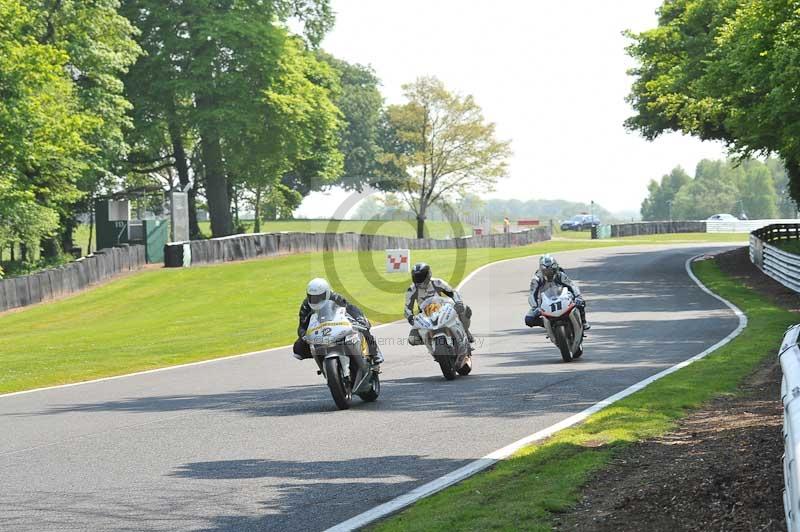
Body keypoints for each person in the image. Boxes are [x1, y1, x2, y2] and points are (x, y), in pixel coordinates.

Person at [293, 278, 384, 364]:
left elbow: (351, 308)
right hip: (320, 331)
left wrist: (359, 319)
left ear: (327, 293)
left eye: (319, 297)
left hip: (337, 325)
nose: (315, 300)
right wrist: (304, 335)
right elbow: (302, 326)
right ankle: (322, 361)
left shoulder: (335, 297)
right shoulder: (306, 305)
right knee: (298, 349)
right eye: (312, 297)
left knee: (363, 328)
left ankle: (375, 352)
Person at [404, 262, 474, 345]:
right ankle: (430, 343)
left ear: (428, 275)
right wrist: (410, 317)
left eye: (421, 277)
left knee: (465, 309)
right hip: (424, 315)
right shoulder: (411, 290)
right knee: (412, 339)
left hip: (443, 309)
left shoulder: (437, 282)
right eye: (416, 277)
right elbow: (407, 308)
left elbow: (452, 293)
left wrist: (458, 302)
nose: (419, 280)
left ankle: (465, 331)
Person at [525, 254, 590, 330]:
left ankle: (583, 321)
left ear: (556, 267)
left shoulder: (560, 275)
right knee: (529, 320)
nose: (550, 272)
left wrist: (578, 296)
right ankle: (548, 324)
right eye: (547, 270)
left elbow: (572, 286)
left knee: (581, 303)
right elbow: (532, 294)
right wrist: (535, 307)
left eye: (552, 269)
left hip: (563, 298)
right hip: (545, 304)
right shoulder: (536, 279)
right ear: (541, 269)